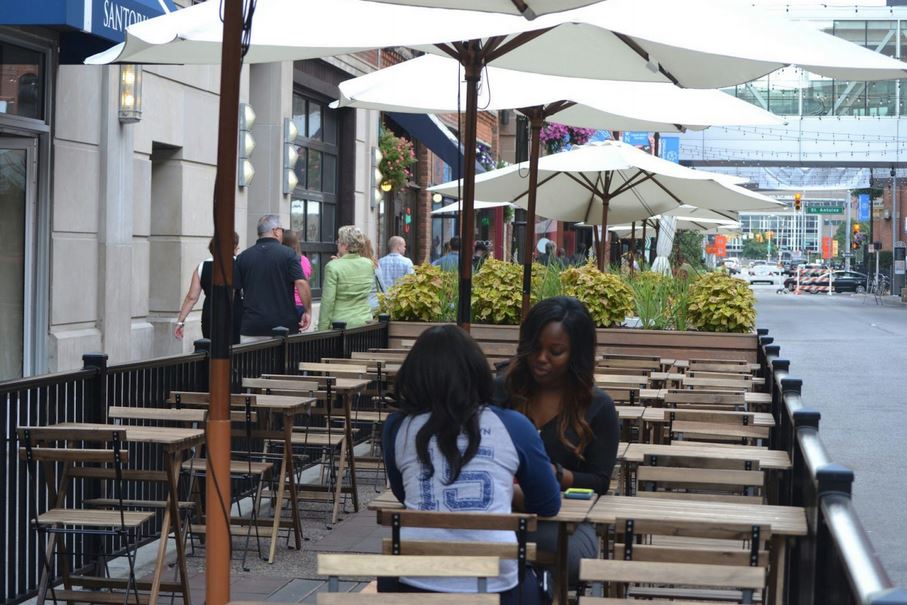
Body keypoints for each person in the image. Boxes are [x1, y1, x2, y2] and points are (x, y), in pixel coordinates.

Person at [382, 325, 560, 604]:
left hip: (414, 583)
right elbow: (548, 504)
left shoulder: (398, 427)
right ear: (476, 372)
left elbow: (403, 493)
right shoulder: (513, 425)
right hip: (496, 587)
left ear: (413, 374)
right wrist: (504, 493)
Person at [496, 296, 620, 589]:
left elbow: (600, 480)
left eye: (556, 352)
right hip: (498, 515)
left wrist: (556, 476)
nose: (541, 358)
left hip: (563, 521)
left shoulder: (597, 407)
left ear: (576, 355)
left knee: (571, 560)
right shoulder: (502, 390)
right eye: (535, 348)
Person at [234, 215, 312, 341]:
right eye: (281, 230)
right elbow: (301, 283)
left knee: (251, 361)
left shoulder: (243, 257)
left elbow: (234, 291)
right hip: (283, 326)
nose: (282, 233)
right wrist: (308, 311)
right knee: (283, 361)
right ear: (275, 231)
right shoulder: (289, 254)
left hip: (251, 327)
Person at [174, 232, 243, 344]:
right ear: (233, 246)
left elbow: (191, 298)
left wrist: (180, 322)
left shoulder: (202, 266)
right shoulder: (239, 264)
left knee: (211, 349)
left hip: (210, 315)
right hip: (233, 316)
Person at [318, 225, 376, 331]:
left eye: (338, 242)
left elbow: (328, 301)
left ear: (345, 246)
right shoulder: (369, 264)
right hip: (364, 321)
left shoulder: (332, 266)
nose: (338, 244)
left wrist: (321, 330)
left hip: (340, 324)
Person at [281, 229, 313, 320]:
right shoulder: (305, 260)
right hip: (302, 305)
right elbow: (307, 279)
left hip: (287, 304)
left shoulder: (283, 260)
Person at [363, 237, 382, 312]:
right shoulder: (375, 263)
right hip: (375, 304)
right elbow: (381, 285)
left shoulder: (358, 265)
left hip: (362, 307)